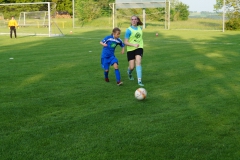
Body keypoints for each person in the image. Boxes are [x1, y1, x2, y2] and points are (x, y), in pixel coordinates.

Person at [124, 15, 144, 86]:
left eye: (135, 19)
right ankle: (129, 72)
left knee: (138, 61)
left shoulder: (140, 28)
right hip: (130, 49)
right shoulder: (128, 30)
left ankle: (139, 81)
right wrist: (134, 45)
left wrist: (137, 45)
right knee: (132, 67)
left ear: (137, 20)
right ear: (131, 21)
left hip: (139, 47)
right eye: (132, 19)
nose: (134, 20)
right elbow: (125, 42)